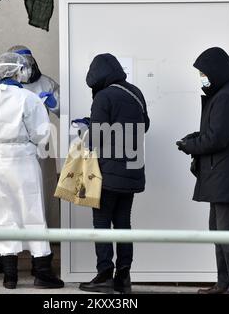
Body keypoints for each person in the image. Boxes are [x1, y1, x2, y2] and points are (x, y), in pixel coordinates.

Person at [0, 52, 64, 290]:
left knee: (2, 213)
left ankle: (9, 275)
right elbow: (41, 133)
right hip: (22, 158)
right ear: (18, 71)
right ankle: (42, 272)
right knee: (31, 211)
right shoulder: (28, 99)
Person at [176, 47, 229, 294]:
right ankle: (225, 283)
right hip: (220, 175)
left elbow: (218, 139)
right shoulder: (225, 93)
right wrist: (195, 137)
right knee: (220, 233)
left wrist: (190, 145)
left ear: (217, 71)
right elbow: (215, 133)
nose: (202, 77)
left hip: (226, 177)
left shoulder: (228, 96)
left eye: (203, 72)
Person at [79, 54, 150, 294]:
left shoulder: (104, 96)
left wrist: (87, 127)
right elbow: (145, 125)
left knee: (101, 223)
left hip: (107, 172)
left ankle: (104, 275)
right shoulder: (135, 92)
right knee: (123, 224)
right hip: (132, 170)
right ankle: (124, 276)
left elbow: (97, 138)